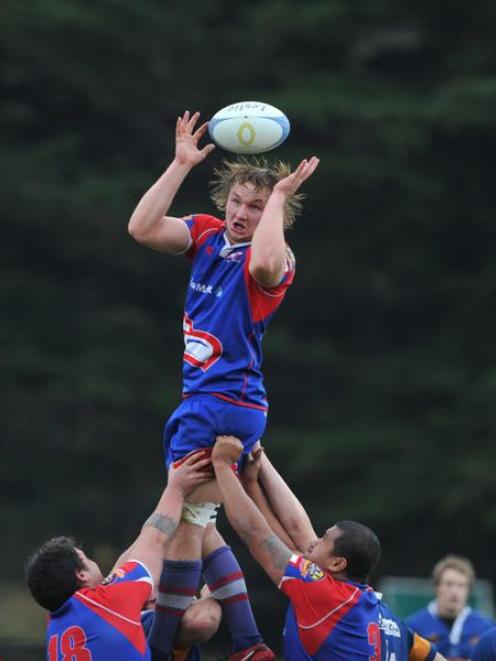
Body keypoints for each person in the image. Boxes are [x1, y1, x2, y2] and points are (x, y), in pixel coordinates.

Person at [128, 109, 319, 659]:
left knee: (184, 526)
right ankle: (244, 642)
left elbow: (261, 268)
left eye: (255, 206)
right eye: (237, 201)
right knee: (198, 523)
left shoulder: (277, 257)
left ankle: (181, 647)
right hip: (210, 402)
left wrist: (278, 200)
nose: (241, 212)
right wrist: (180, 164)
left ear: (274, 215)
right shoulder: (209, 236)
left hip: (222, 402)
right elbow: (141, 228)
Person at [211, 435, 447, 661]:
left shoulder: (323, 595)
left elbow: (257, 535)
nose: (314, 540)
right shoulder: (390, 620)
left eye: (323, 538)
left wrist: (222, 465)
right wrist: (254, 477)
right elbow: (295, 532)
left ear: (337, 563)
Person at [26, 454, 221, 660]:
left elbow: (137, 550)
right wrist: (177, 487)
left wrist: (172, 498)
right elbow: (154, 537)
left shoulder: (55, 627)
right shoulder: (106, 602)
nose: (93, 562)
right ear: (81, 575)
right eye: (87, 559)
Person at [406, 555, 495, 660]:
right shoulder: (413, 627)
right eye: (449, 584)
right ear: (436, 587)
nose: (455, 591)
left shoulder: (486, 627)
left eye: (461, 585)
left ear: (468, 590)